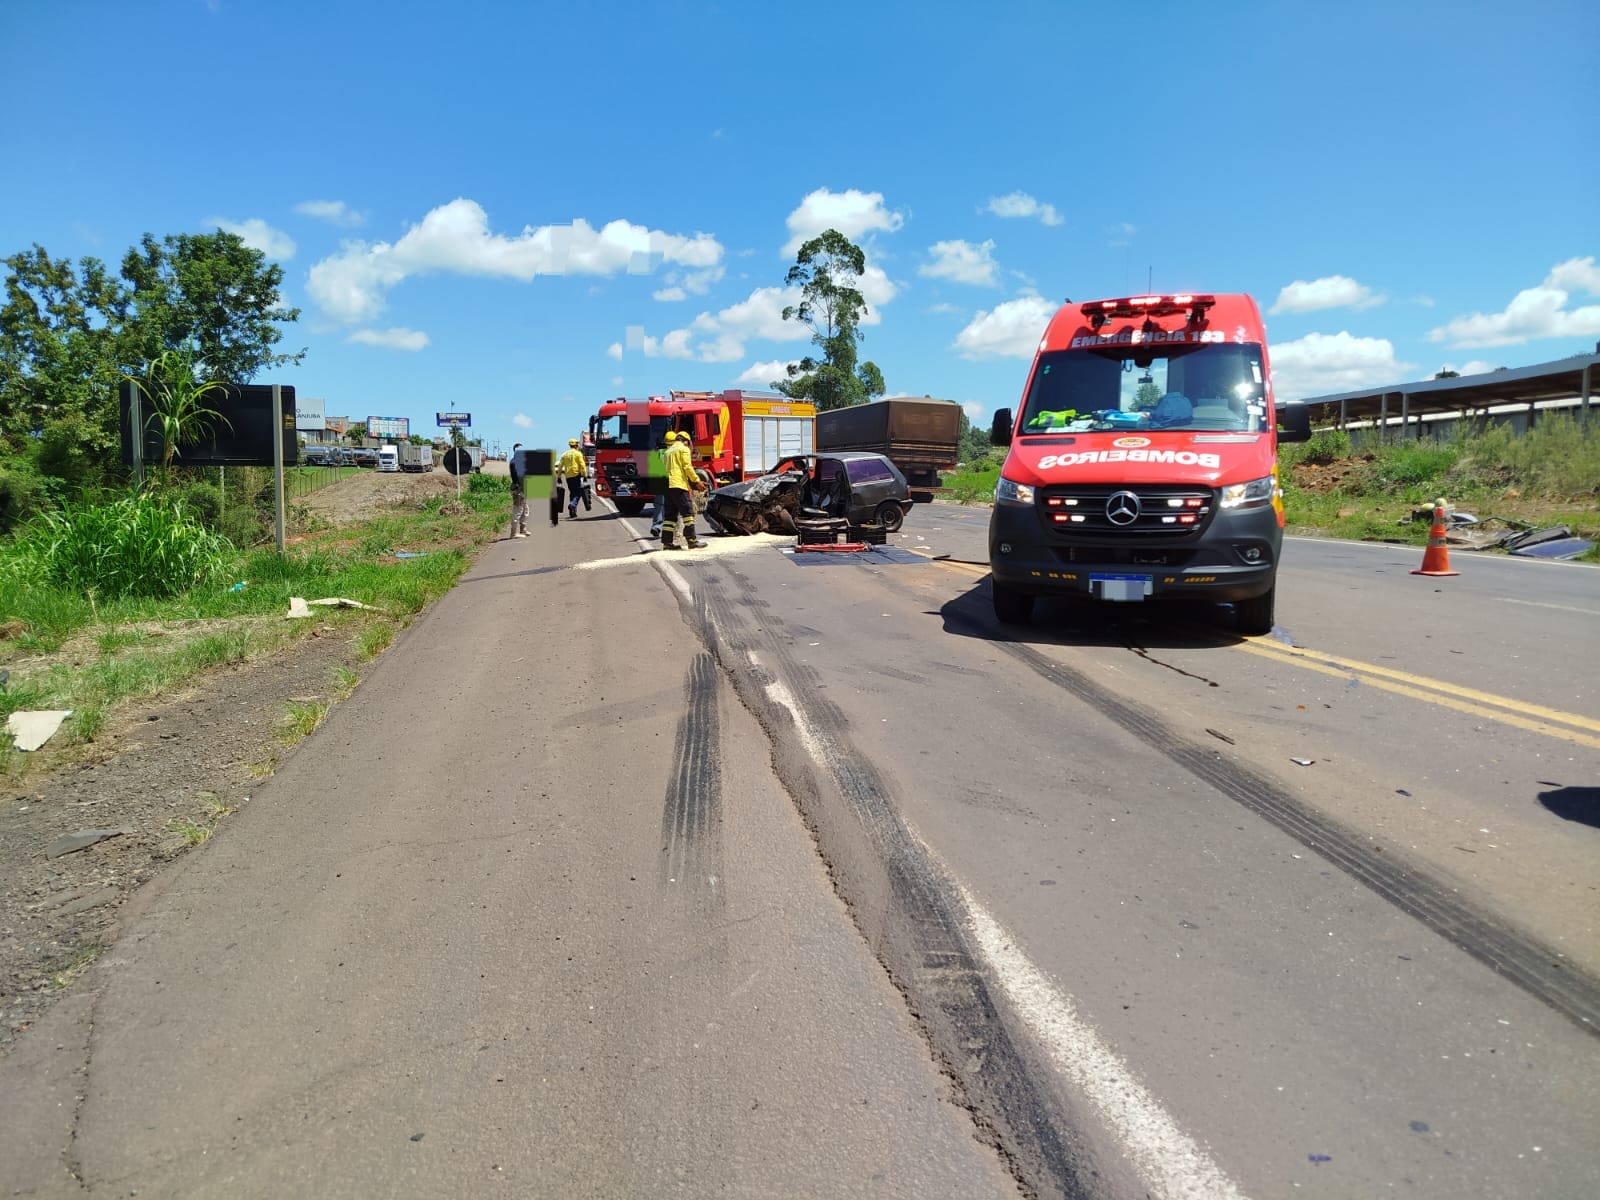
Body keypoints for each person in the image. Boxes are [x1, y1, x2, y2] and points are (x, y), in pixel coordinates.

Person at [659, 430, 706, 550]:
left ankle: (667, 543)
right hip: (678, 484)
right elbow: (687, 467)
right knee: (688, 513)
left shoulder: (668, 452)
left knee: (670, 516)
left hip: (667, 485)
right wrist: (696, 481)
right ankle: (691, 540)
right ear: (685, 441)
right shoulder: (683, 449)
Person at [559, 438, 590, 518]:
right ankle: (572, 505)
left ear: (570, 445)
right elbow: (582, 465)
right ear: (576, 445)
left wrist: (559, 477)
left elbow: (560, 466)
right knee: (578, 493)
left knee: (572, 493)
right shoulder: (578, 454)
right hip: (576, 475)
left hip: (568, 476)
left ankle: (572, 513)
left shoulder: (565, 454)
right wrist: (585, 475)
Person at [508, 443, 528, 538]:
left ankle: (523, 530)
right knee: (518, 510)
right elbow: (517, 477)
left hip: (523, 489)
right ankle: (513, 533)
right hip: (518, 489)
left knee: (525, 510)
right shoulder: (515, 462)